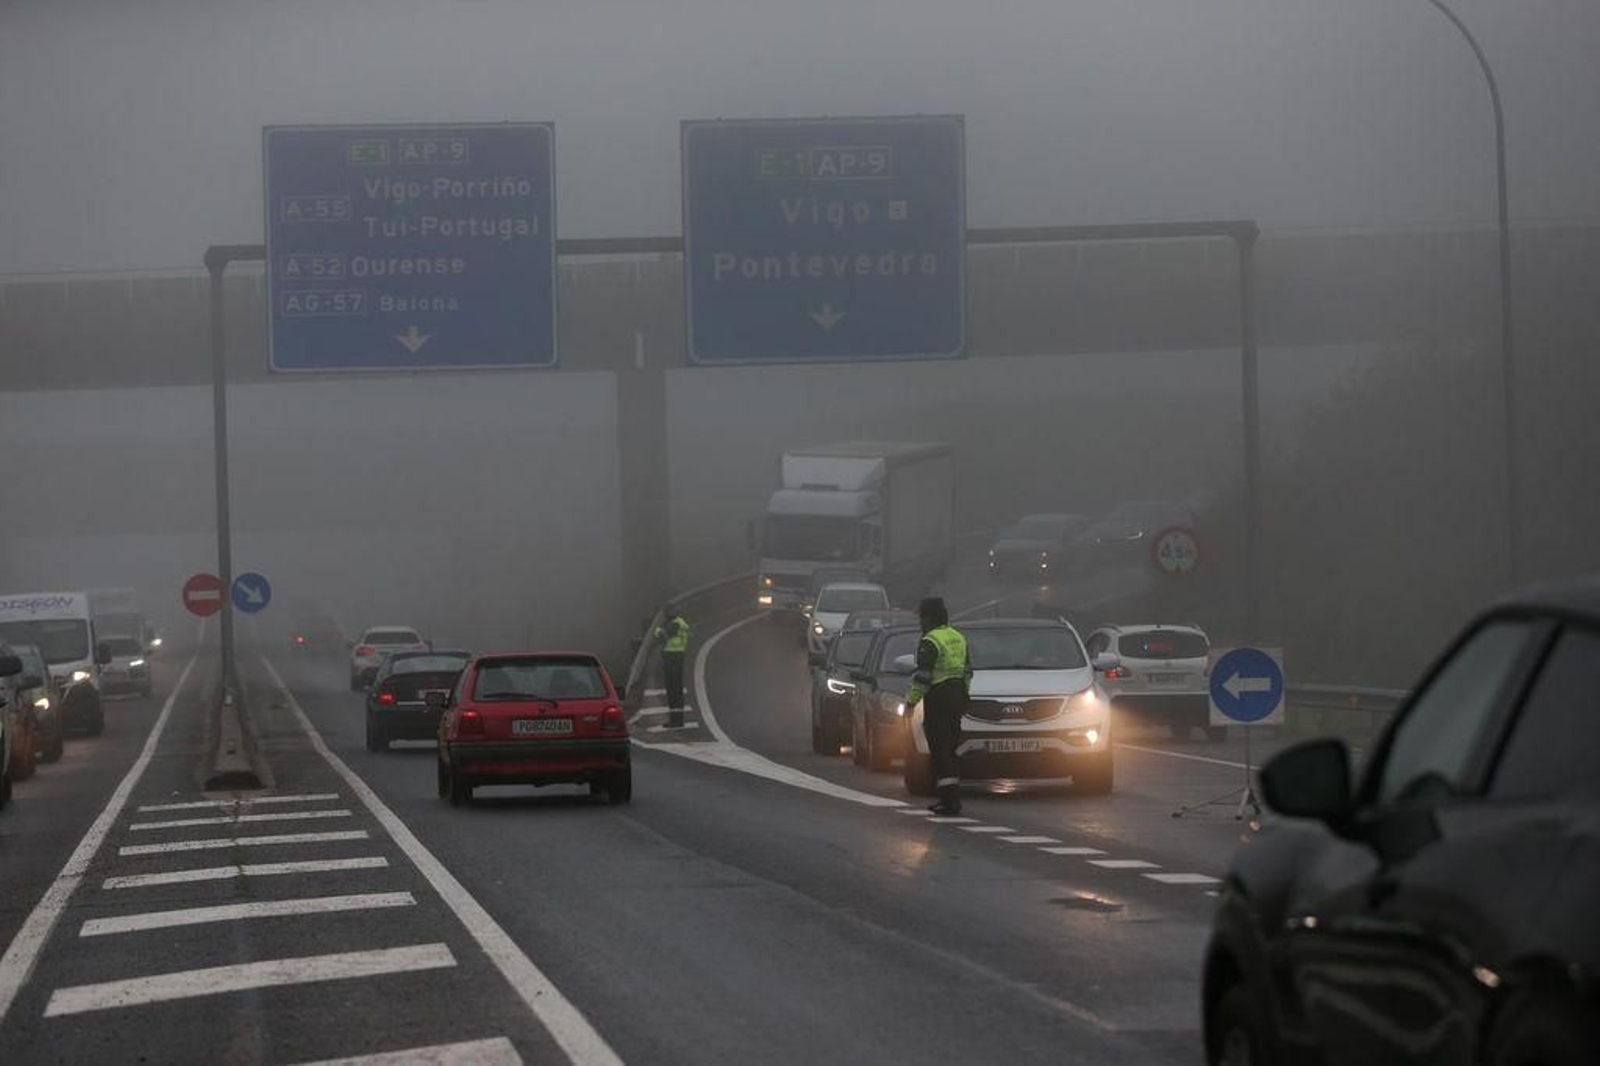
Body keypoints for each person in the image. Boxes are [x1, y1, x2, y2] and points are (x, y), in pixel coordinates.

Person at [904, 597, 971, 815]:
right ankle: (953, 797)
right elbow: (968, 671)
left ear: (928, 618)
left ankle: (948, 801)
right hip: (957, 695)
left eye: (921, 618)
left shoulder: (930, 641)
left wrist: (911, 702)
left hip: (939, 698)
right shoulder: (958, 637)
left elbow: (923, 677)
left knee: (940, 750)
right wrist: (963, 695)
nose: (919, 623)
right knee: (951, 749)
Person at [655, 605, 691, 728]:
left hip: (673, 657)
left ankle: (676, 721)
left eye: (667, 612)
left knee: (673, 690)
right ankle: (676, 719)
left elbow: (662, 635)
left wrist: (660, 629)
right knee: (675, 690)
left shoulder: (675, 624)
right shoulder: (677, 622)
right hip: (675, 657)